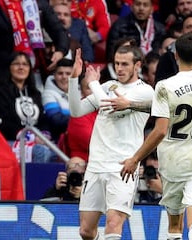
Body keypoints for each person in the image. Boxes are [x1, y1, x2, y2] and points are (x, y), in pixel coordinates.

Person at [120, 32, 192, 240]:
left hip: (172, 163)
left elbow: (160, 130)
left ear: (175, 56)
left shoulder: (165, 86)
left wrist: (135, 158)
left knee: (175, 223)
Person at [68, 46, 154, 239]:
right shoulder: (107, 87)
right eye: (117, 63)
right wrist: (73, 79)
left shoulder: (145, 91)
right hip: (96, 165)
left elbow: (110, 108)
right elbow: (76, 111)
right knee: (86, 231)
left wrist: (93, 84)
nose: (119, 68)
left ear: (137, 65)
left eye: (125, 64)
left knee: (113, 224)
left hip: (123, 167)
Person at [0, 0, 70, 104]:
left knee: (35, 111)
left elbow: (60, 31)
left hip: (33, 72)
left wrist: (60, 51)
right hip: (0, 75)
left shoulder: (39, 4)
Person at [0, 52, 56, 163]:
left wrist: (44, 134)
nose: (21, 67)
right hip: (8, 140)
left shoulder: (35, 93)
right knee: (41, 152)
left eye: (25, 64)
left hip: (34, 140)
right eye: (16, 64)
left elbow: (43, 119)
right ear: (9, 68)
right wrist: (30, 137)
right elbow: (2, 123)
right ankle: (32, 181)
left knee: (56, 153)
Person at [42, 58, 74, 142]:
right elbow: (56, 120)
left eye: (68, 73)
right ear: (54, 75)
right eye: (60, 73)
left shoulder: (80, 91)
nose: (64, 77)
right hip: (58, 142)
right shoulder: (47, 94)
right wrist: (82, 119)